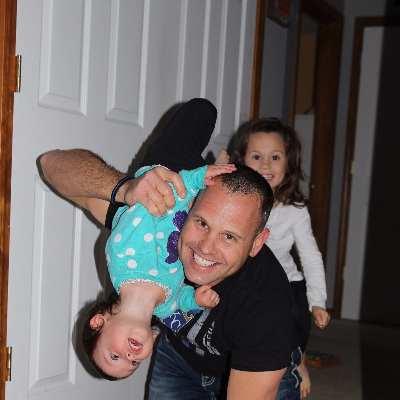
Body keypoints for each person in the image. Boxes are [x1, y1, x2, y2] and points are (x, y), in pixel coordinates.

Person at [41, 98, 293, 399]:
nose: (206, 248)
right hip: (179, 359)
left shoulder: (264, 303)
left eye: (229, 237)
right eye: (202, 223)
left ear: (256, 243)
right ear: (190, 207)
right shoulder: (158, 213)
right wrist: (125, 189)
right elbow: (49, 164)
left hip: (249, 367)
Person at [82, 164, 235, 380]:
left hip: (175, 182)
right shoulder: (165, 309)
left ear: (99, 323)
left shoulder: (123, 257)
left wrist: (194, 180)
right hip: (204, 213)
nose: (129, 356)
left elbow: (151, 201)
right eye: (134, 363)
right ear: (153, 338)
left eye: (114, 356)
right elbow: (181, 298)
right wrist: (196, 300)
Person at [224, 118, 331, 399]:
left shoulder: (295, 210)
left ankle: (297, 357)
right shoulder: (232, 200)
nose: (266, 165)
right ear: (241, 160)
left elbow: (310, 255)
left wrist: (317, 301)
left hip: (285, 282)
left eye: (275, 157)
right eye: (256, 157)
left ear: (289, 164)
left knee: (292, 315)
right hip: (242, 281)